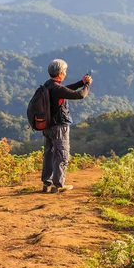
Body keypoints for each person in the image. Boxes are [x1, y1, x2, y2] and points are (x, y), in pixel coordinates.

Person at [41, 59, 92, 193]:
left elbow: (66, 89)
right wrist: (87, 85)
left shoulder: (48, 85)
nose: (65, 74)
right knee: (61, 155)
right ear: (60, 73)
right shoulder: (58, 88)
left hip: (47, 126)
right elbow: (79, 95)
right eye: (64, 72)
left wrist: (81, 82)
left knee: (49, 154)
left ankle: (47, 183)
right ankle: (58, 185)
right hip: (59, 127)